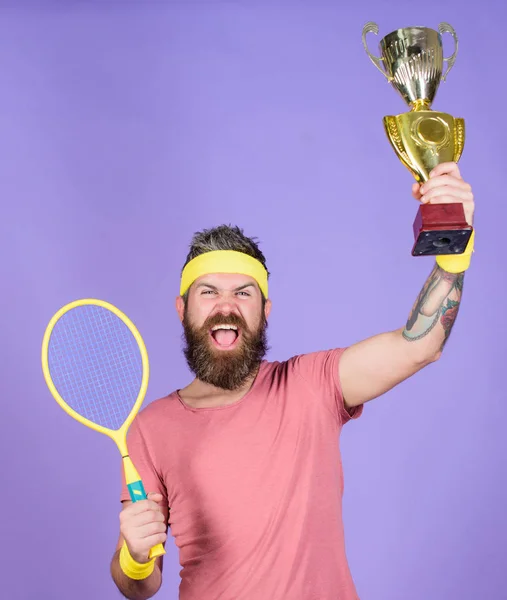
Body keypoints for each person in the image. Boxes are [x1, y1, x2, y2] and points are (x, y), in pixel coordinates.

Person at [110, 162, 475, 600]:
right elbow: (140, 586)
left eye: (243, 293)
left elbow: (421, 344)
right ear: (182, 309)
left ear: (264, 311)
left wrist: (452, 245)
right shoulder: (151, 427)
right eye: (208, 292)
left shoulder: (310, 384)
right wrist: (134, 554)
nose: (225, 306)